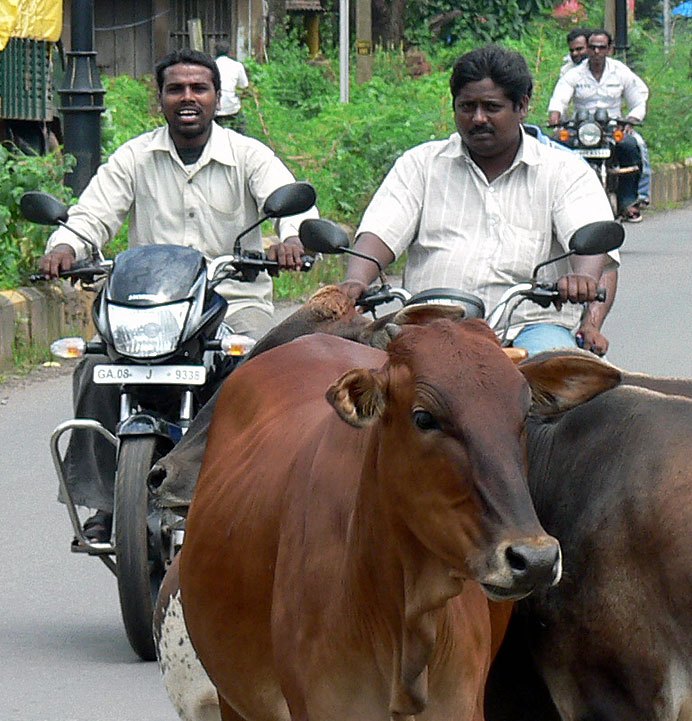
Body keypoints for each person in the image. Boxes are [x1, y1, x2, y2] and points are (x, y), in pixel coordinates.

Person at [38, 47, 317, 543]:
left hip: (232, 299)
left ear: (216, 98)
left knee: (258, 366)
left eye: (199, 88)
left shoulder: (248, 156)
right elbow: (92, 214)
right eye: (176, 89)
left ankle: (256, 488)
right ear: (161, 99)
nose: (188, 98)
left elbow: (288, 200)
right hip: (148, 306)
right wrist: (65, 245)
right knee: (94, 369)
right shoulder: (134, 156)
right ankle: (107, 502)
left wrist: (294, 237)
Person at [340, 44, 619, 357]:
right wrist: (355, 280)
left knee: (563, 383)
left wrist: (581, 278)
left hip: (529, 328)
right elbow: (380, 231)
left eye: (491, 107)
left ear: (522, 106)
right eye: (467, 107)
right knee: (359, 389)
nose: (478, 118)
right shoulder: (420, 164)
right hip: (430, 327)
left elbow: (592, 240)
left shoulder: (564, 171)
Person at [548, 29, 649, 222]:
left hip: (612, 127)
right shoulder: (574, 74)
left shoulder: (620, 72)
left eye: (601, 48)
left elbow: (638, 100)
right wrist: (555, 116)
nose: (596, 52)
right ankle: (554, 201)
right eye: (592, 47)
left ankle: (628, 202)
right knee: (554, 146)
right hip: (581, 128)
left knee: (630, 146)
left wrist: (632, 120)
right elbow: (560, 97)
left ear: (609, 49)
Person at [214, 39, 248, 133]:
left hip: (215, 108)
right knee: (241, 129)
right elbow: (244, 85)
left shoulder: (212, 65)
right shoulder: (237, 66)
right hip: (232, 107)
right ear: (230, 52)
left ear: (215, 52)